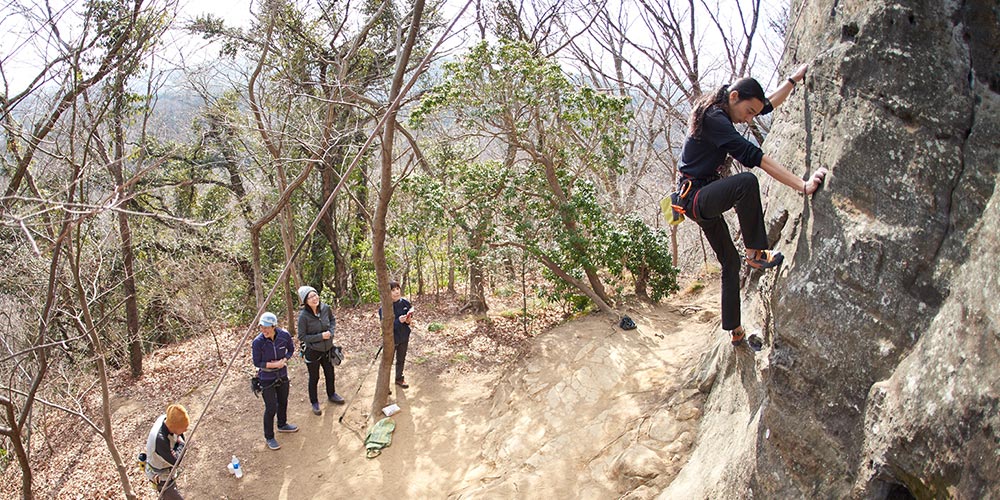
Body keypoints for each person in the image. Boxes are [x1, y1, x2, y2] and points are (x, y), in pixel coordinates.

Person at [675, 64, 827, 349]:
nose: (750, 119)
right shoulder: (714, 117)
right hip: (695, 197)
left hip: (700, 197)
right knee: (746, 182)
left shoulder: (726, 106)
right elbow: (753, 156)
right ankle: (756, 252)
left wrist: (792, 80)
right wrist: (802, 186)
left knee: (730, 263)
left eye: (753, 114)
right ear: (734, 97)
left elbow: (766, 104)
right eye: (748, 112)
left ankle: (734, 330)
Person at [252, 312, 299, 450]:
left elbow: (291, 349)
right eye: (261, 327)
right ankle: (269, 437)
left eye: (267, 327)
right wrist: (274, 365)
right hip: (266, 378)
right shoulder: (258, 342)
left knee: (283, 401)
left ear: (274, 326)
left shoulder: (284, 336)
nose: (264, 330)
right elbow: (257, 362)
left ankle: (282, 424)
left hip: (282, 375)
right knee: (271, 407)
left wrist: (284, 360)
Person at [297, 285, 344, 415]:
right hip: (312, 351)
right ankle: (314, 402)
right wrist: (320, 337)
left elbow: (332, 320)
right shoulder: (303, 317)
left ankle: (332, 394)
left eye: (315, 295)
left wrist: (331, 332)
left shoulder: (325, 308)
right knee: (314, 377)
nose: (314, 298)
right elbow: (302, 336)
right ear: (305, 301)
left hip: (327, 349)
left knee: (330, 373)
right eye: (310, 297)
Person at [144, 404, 189, 499]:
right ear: (174, 427)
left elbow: (180, 436)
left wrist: (178, 445)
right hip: (161, 477)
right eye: (183, 428)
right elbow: (175, 461)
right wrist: (181, 445)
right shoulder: (160, 440)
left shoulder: (167, 418)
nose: (186, 430)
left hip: (167, 470)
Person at [378, 280, 413, 389]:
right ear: (388, 293)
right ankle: (385, 386)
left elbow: (409, 321)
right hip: (391, 339)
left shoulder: (405, 303)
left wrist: (407, 320)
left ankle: (399, 378)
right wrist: (398, 321)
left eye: (397, 289)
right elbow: (385, 326)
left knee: (401, 359)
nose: (396, 292)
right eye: (393, 290)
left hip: (403, 336)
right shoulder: (384, 308)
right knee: (387, 362)